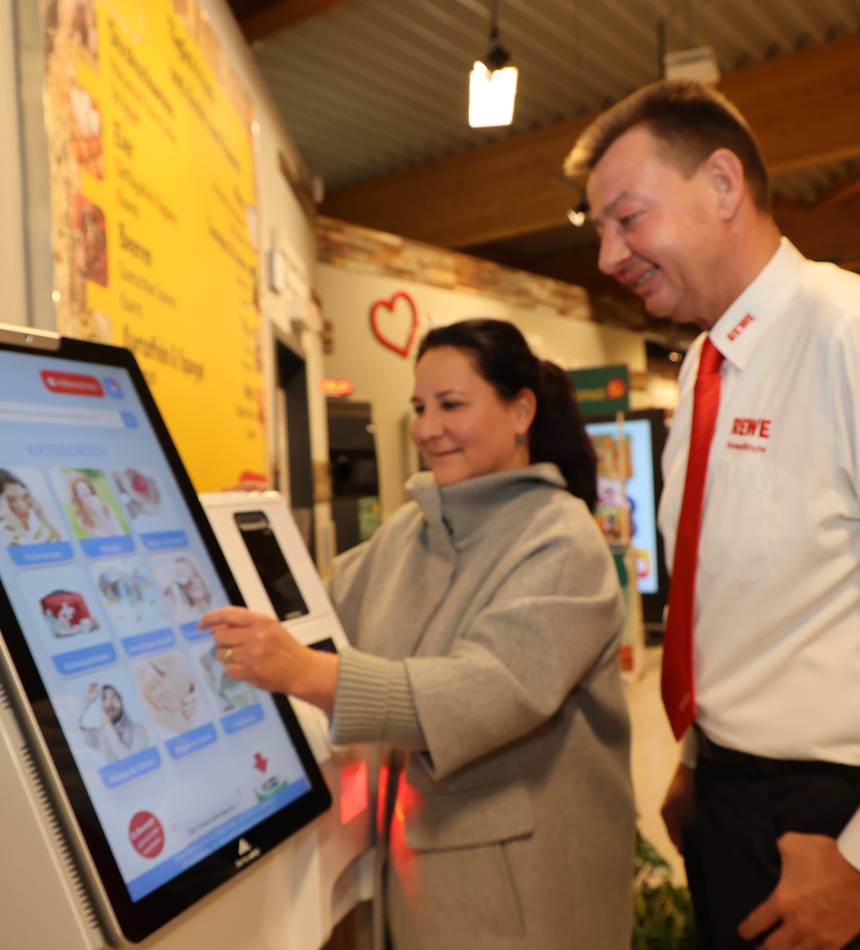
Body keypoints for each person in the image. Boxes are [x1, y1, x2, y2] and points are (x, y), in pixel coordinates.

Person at [564, 78, 860, 949]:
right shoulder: (708, 364)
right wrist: (698, 763)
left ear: (723, 184)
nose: (609, 257)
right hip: (729, 794)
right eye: (600, 232)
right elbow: (732, 599)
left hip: (837, 817)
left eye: (628, 219)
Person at [200, 319, 635, 950]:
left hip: (524, 905)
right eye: (420, 407)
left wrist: (306, 673)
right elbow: (319, 612)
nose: (429, 428)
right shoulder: (409, 532)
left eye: (451, 405)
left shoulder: (563, 541)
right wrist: (247, 542)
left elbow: (485, 690)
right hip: (416, 891)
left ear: (521, 411)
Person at [78, 682, 149, 764]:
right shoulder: (99, 735)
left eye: (113, 697)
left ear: (121, 701)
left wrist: (107, 728)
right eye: (104, 699)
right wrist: (87, 699)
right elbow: (71, 730)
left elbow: (132, 763)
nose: (110, 703)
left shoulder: (138, 730)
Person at [0, 469, 61, 545]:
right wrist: (18, 530)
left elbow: (59, 544)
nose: (22, 506)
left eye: (24, 496)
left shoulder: (36, 529)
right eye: (11, 500)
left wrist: (42, 519)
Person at [68, 471, 124, 537]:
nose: (85, 492)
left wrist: (99, 507)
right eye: (81, 490)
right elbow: (102, 535)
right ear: (77, 496)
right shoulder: (81, 520)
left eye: (86, 488)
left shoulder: (104, 505)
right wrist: (95, 510)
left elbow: (117, 527)